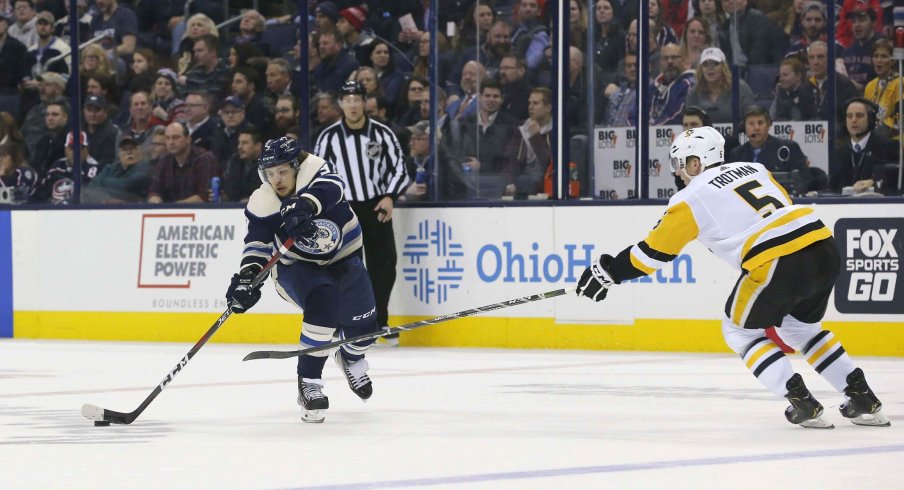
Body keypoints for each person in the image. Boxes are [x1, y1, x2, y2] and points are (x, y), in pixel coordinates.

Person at [576, 125, 890, 429]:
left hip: (776, 257)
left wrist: (608, 271)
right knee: (801, 329)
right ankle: (862, 397)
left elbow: (650, 256)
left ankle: (801, 400)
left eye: (682, 164)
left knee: (739, 332)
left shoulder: (690, 198)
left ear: (696, 162)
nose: (679, 172)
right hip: (822, 244)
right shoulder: (756, 169)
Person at [225, 136, 378, 423]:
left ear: (297, 166)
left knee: (365, 328)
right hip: (296, 267)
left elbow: (332, 189)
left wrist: (304, 206)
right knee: (323, 299)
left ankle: (351, 357)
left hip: (345, 259)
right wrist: (247, 277)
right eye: (270, 173)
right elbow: (256, 244)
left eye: (283, 171)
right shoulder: (263, 201)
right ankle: (309, 383)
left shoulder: (318, 171)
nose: (277, 179)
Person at [314, 81, 409, 347]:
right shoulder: (328, 137)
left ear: (366, 102)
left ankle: (379, 321)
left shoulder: (383, 133)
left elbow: (400, 169)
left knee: (384, 264)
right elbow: (319, 174)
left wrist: (390, 196)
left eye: (357, 99)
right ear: (340, 104)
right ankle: (349, 323)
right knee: (347, 269)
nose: (353, 105)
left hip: (376, 206)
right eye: (347, 100)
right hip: (344, 210)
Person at [830, 98, 898, 195]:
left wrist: (874, 181)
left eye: (859, 115)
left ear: (870, 119)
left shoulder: (888, 147)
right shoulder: (839, 152)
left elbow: (898, 176)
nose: (854, 120)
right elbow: (833, 188)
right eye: (849, 116)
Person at [147, 122, 220, 203]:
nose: (171, 142)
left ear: (188, 139)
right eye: (167, 138)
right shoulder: (164, 160)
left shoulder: (204, 159)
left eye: (176, 137)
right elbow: (154, 191)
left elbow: (204, 196)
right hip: (171, 211)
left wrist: (174, 208)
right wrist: (155, 201)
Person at [684, 46, 753, 123]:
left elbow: (751, 119)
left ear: (723, 67)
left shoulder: (740, 88)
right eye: (705, 64)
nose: (710, 68)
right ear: (701, 69)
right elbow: (688, 122)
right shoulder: (694, 92)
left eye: (715, 63)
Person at [33, 130, 100, 204]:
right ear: (65, 149)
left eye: (80, 147)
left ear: (87, 150)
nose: (75, 151)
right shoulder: (58, 165)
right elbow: (44, 190)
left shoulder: (93, 168)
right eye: (71, 147)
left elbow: (86, 194)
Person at [84, 135, 151, 203]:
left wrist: (104, 181)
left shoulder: (145, 168)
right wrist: (105, 199)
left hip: (134, 208)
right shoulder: (110, 168)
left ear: (140, 151)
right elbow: (92, 186)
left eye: (132, 148)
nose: (129, 152)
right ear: (119, 153)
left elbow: (125, 185)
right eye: (125, 149)